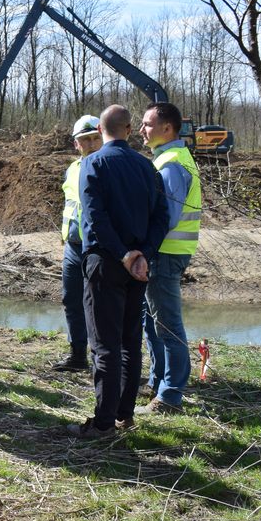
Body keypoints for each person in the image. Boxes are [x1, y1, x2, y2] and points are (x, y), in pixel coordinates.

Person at [69, 104, 169, 438]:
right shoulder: (146, 166)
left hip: (105, 262)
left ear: (100, 130)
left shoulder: (92, 163)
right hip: (137, 266)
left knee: (104, 345)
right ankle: (125, 415)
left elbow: (95, 217)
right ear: (128, 129)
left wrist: (125, 254)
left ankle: (103, 423)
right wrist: (143, 255)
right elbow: (162, 218)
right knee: (129, 341)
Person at [137, 101, 202, 415]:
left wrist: (144, 248)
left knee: (168, 327)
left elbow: (168, 217)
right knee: (153, 322)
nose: (142, 130)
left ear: (167, 128)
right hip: (167, 253)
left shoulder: (172, 163)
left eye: (148, 124)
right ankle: (158, 383)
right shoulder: (170, 157)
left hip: (165, 254)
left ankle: (170, 397)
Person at [52, 115, 103, 372]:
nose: (91, 143)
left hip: (98, 249)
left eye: (96, 138)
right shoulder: (72, 169)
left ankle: (100, 358)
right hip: (72, 247)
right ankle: (77, 355)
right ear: (76, 144)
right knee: (71, 300)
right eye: (85, 140)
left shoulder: (108, 167)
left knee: (97, 305)